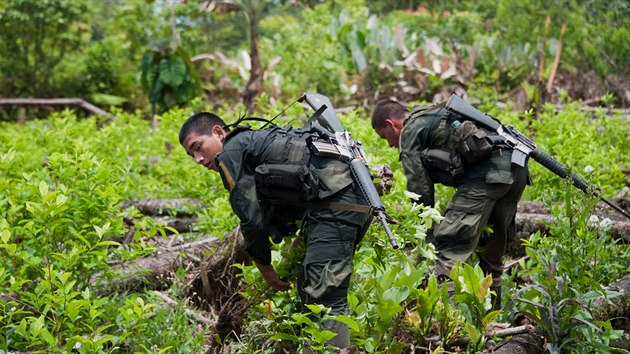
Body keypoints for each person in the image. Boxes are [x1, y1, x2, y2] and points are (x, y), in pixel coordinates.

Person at [179, 112, 372, 349]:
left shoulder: (230, 152)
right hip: (351, 202)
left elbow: (250, 218)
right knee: (308, 289)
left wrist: (265, 268)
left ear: (218, 132)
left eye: (198, 147)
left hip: (337, 207)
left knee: (326, 297)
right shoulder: (253, 141)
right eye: (191, 155)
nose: (198, 158)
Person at [370, 97, 529, 309]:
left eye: (384, 137)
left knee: (450, 246)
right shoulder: (438, 113)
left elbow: (419, 184)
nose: (389, 144)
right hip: (516, 168)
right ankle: (493, 317)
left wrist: (423, 228)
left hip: (489, 173)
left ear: (391, 124)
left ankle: (448, 323)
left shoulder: (410, 130)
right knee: (492, 250)